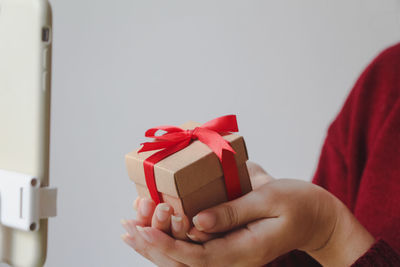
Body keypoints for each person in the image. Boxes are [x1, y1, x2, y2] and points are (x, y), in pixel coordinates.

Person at [121, 43, 400, 266]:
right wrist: (261, 245)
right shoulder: (386, 81)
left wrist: (328, 235)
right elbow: (311, 256)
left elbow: (321, 230)